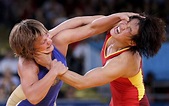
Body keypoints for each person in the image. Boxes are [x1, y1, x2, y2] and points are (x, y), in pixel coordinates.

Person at [7, 12, 137, 106]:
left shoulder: (56, 41)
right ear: (31, 49)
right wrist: (53, 71)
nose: (48, 40)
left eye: (47, 34)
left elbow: (92, 27)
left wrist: (117, 17)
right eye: (43, 42)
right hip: (22, 102)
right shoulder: (27, 64)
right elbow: (34, 98)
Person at [35, 14, 166, 106]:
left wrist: (49, 63)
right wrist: (50, 33)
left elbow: (82, 83)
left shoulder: (125, 60)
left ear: (132, 42)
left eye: (129, 29)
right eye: (127, 21)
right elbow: (81, 21)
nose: (123, 26)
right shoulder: (116, 25)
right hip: (117, 101)